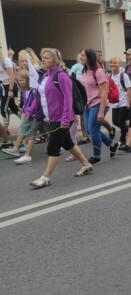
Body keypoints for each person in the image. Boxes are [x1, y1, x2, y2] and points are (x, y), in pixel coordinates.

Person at [25, 48, 93, 188]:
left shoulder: (61, 76)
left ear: (56, 61)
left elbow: (68, 99)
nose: (43, 59)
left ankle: (45, 177)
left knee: (52, 147)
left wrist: (65, 118)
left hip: (61, 118)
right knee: (68, 144)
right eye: (42, 57)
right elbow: (39, 97)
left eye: (47, 57)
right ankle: (86, 164)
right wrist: (31, 110)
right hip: (50, 118)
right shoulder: (45, 76)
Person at [79, 48, 119, 164]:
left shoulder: (99, 71)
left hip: (98, 104)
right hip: (87, 105)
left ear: (89, 57)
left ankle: (96, 156)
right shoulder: (84, 70)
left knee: (93, 130)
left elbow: (105, 92)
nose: (80, 57)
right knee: (91, 130)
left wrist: (101, 112)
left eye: (83, 55)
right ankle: (112, 144)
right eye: (80, 55)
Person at [109, 57, 131, 146]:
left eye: (115, 63)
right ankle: (127, 130)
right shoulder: (110, 76)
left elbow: (129, 90)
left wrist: (128, 103)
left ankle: (123, 140)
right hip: (115, 103)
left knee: (121, 120)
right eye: (112, 63)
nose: (113, 64)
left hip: (123, 102)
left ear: (119, 64)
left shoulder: (124, 75)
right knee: (115, 121)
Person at [0, 43, 18, 128]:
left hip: (8, 86)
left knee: (3, 109)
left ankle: (5, 131)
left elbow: (11, 75)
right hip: (2, 86)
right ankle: (26, 123)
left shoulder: (5, 60)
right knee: (13, 107)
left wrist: (10, 90)